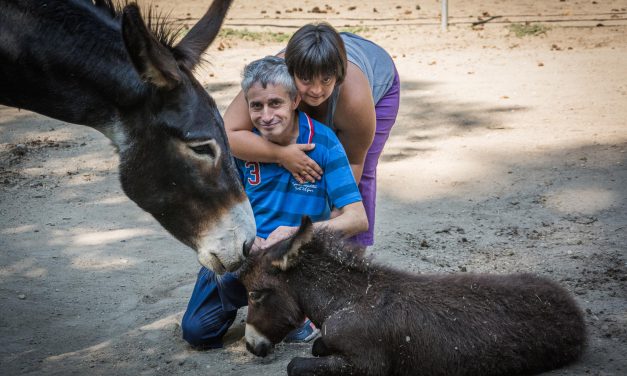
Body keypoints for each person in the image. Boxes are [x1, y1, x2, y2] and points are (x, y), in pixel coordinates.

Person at [181, 56, 368, 348]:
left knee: (286, 321)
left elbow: (358, 218)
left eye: (275, 103)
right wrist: (241, 238)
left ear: (294, 101)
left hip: (290, 262)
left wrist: (298, 234)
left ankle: (292, 313)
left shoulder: (326, 144)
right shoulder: (243, 145)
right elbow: (219, 207)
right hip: (245, 257)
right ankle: (250, 297)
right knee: (197, 333)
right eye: (256, 106)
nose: (266, 115)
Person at [225, 22, 400, 247]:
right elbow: (229, 135)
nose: (317, 90)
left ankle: (355, 259)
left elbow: (354, 163)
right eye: (306, 80)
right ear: (290, 72)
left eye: (326, 80)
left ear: (337, 76)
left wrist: (319, 233)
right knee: (285, 152)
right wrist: (282, 155)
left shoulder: (354, 100)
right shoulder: (272, 77)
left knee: (350, 178)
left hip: (380, 82)